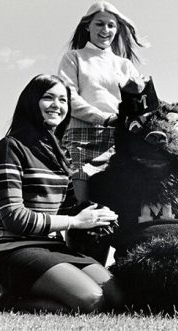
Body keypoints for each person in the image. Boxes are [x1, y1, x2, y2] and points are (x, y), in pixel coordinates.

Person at [0, 74, 122, 313]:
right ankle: (4, 303)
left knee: (117, 299)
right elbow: (14, 217)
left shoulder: (61, 154)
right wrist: (75, 222)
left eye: (63, 100)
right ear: (31, 101)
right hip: (13, 248)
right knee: (91, 301)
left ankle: (22, 293)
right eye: (48, 98)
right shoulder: (11, 146)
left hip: (51, 247)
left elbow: (68, 210)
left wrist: (96, 214)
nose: (57, 105)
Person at [58, 1, 145, 203]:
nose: (105, 30)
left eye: (111, 25)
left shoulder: (125, 65)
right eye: (99, 24)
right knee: (80, 208)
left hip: (118, 140)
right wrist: (104, 118)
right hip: (80, 139)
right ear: (87, 25)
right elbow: (68, 97)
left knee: (119, 207)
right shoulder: (73, 58)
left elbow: (138, 106)